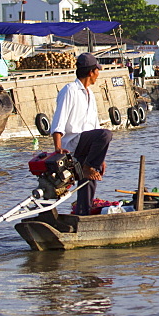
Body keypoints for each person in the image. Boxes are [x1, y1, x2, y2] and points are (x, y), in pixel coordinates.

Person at [50, 53, 113, 215]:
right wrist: (58, 147)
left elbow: (94, 125)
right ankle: (87, 167)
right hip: (74, 143)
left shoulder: (90, 94)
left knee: (91, 176)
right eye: (97, 71)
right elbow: (59, 119)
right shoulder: (70, 90)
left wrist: (101, 158)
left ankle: (83, 214)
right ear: (91, 72)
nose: (98, 74)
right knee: (106, 134)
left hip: (88, 144)